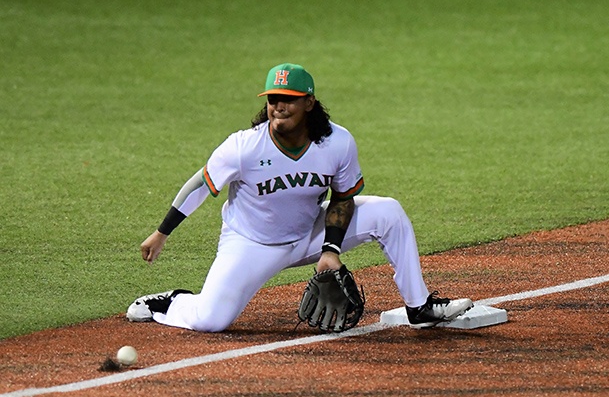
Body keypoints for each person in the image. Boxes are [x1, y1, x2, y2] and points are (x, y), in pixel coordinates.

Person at [126, 62, 473, 332]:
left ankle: (419, 306)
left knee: (389, 213)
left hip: (309, 232)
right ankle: (170, 303)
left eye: (288, 99)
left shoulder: (337, 142)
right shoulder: (244, 147)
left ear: (308, 102)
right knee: (210, 321)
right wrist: (162, 232)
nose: (279, 106)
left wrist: (330, 250)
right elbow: (201, 184)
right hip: (251, 244)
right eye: (273, 99)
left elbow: (342, 198)